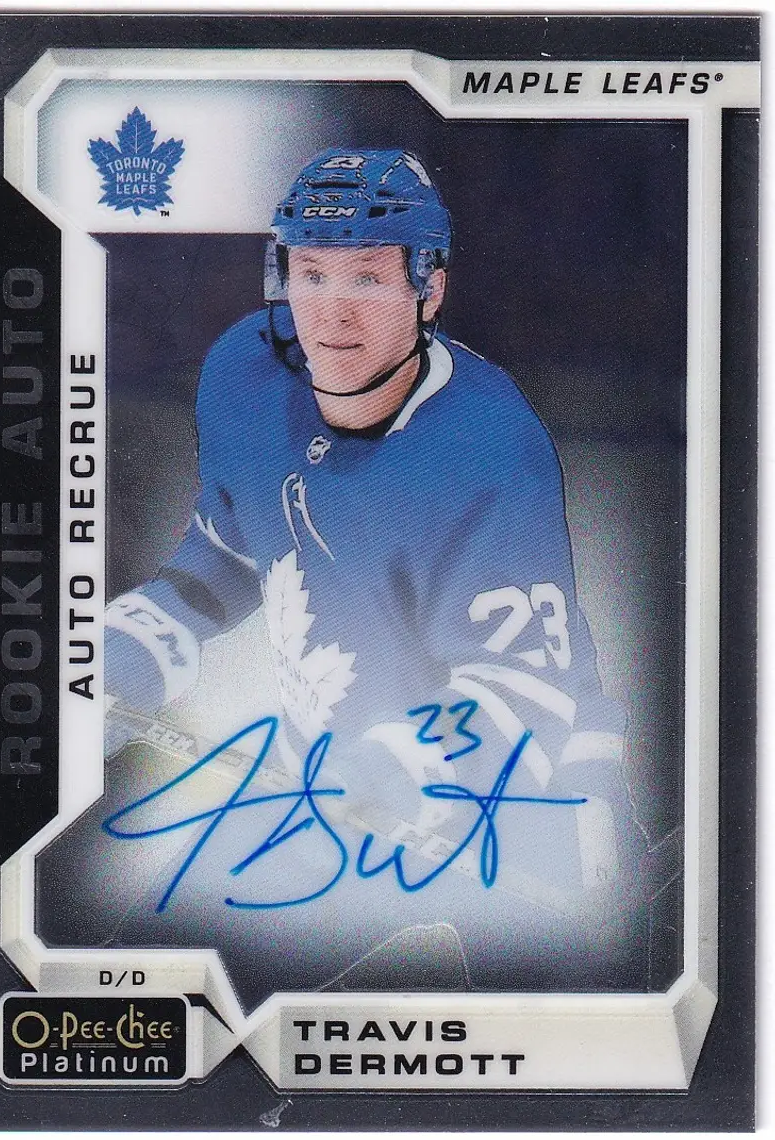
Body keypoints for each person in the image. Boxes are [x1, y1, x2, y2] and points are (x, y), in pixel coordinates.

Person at [102, 149, 643, 992]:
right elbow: (233, 548)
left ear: (429, 290)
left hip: (521, 800)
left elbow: (522, 693)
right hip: (333, 776)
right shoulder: (247, 373)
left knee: (561, 1045)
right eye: (311, 274)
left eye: (367, 279)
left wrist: (390, 768)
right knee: (149, 993)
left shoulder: (489, 447)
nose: (332, 312)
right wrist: (131, 644)